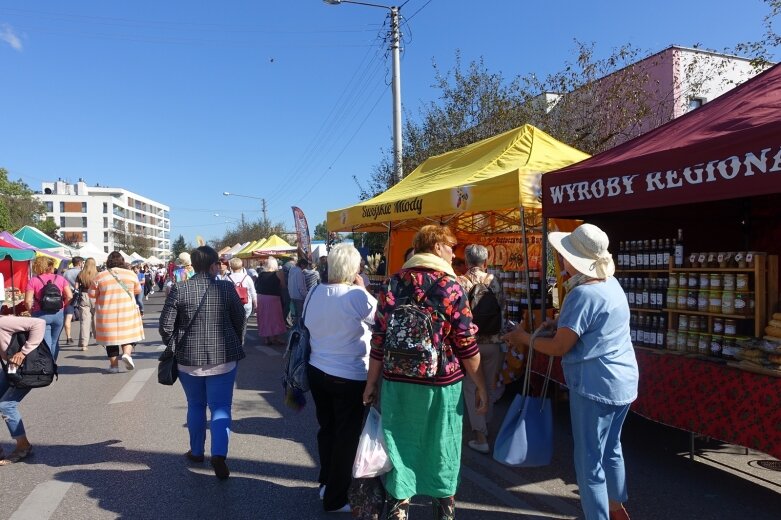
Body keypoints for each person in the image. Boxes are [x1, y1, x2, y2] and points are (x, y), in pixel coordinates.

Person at [502, 223, 638, 520]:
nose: (562, 259)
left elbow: (561, 346)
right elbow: (591, 327)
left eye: (565, 255)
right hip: (623, 380)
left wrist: (525, 339)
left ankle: (598, 515)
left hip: (595, 385)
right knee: (611, 448)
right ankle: (616, 506)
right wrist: (558, 324)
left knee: (589, 460)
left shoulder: (582, 295)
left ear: (575, 260)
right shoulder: (611, 284)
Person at [364, 224, 488, 520]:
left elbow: (379, 339)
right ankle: (443, 513)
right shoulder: (450, 286)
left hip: (398, 381)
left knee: (399, 446)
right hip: (441, 384)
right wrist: (481, 385)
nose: (452, 253)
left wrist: (371, 383)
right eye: (450, 247)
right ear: (436, 247)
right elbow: (466, 341)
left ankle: (399, 511)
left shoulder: (392, 284)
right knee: (443, 446)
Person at [159, 246, 246, 480]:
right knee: (220, 407)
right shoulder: (226, 288)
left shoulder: (180, 289)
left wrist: (175, 344)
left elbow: (166, 326)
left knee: (195, 405)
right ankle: (219, 454)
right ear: (211, 266)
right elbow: (240, 319)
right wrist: (236, 341)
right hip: (223, 358)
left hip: (188, 359)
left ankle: (197, 452)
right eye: (217, 264)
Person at [305, 244, 378, 513]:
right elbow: (382, 320)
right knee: (346, 437)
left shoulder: (314, 291)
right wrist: (364, 289)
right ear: (354, 267)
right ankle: (336, 497)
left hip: (317, 370)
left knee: (328, 429)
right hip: (348, 374)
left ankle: (326, 483)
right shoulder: (357, 296)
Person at [457, 244, 504, 454]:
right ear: (486, 262)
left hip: (471, 344)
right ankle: (487, 425)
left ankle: (480, 435)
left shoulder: (461, 282)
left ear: (467, 261)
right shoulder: (494, 281)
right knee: (489, 386)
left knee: (472, 387)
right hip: (493, 342)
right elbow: (502, 307)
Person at [0, 315, 45, 466]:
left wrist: (24, 352)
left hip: (28, 367)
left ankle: (23, 446)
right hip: (12, 367)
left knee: (6, 405)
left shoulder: (3, 321)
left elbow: (39, 323)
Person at [90, 251, 144, 373]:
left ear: (108, 262)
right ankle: (127, 354)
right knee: (128, 335)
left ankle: (114, 366)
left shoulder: (100, 276)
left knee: (111, 340)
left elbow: (92, 294)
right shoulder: (131, 274)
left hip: (107, 312)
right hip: (127, 310)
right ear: (122, 262)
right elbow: (137, 290)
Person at [24, 256, 73, 361]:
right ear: (51, 266)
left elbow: (28, 301)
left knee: (46, 342)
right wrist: (63, 306)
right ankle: (53, 363)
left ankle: (48, 366)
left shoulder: (33, 281)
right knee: (55, 342)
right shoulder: (60, 279)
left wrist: (31, 311)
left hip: (40, 314)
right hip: (58, 313)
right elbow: (69, 296)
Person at [254, 257, 288, 345]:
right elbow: (283, 285)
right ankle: (275, 337)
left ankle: (266, 338)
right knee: (275, 317)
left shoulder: (261, 274)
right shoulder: (278, 273)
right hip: (273, 297)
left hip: (261, 297)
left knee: (264, 317)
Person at [225, 257, 257, 343]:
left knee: (233, 323)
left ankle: (235, 340)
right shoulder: (247, 278)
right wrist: (256, 304)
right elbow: (253, 292)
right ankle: (241, 339)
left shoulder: (227, 278)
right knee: (244, 323)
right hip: (246, 304)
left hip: (232, 304)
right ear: (242, 266)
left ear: (230, 266)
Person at [76, 258, 98, 352]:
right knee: (96, 319)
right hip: (95, 296)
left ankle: (84, 344)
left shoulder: (81, 274)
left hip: (84, 296)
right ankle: (99, 339)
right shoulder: (97, 274)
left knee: (85, 321)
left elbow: (76, 287)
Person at [61, 256, 84, 345]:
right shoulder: (81, 272)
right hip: (79, 296)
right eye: (82, 263)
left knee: (68, 317)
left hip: (68, 295)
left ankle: (68, 337)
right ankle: (84, 336)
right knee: (84, 317)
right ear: (79, 263)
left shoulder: (65, 273)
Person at [287, 258, 309, 325]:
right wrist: (306, 296)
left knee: (295, 315)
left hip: (292, 295)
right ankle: (299, 329)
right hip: (299, 296)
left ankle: (295, 327)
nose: (305, 268)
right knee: (300, 315)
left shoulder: (292, 269)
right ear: (302, 264)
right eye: (305, 266)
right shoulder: (299, 272)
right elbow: (301, 287)